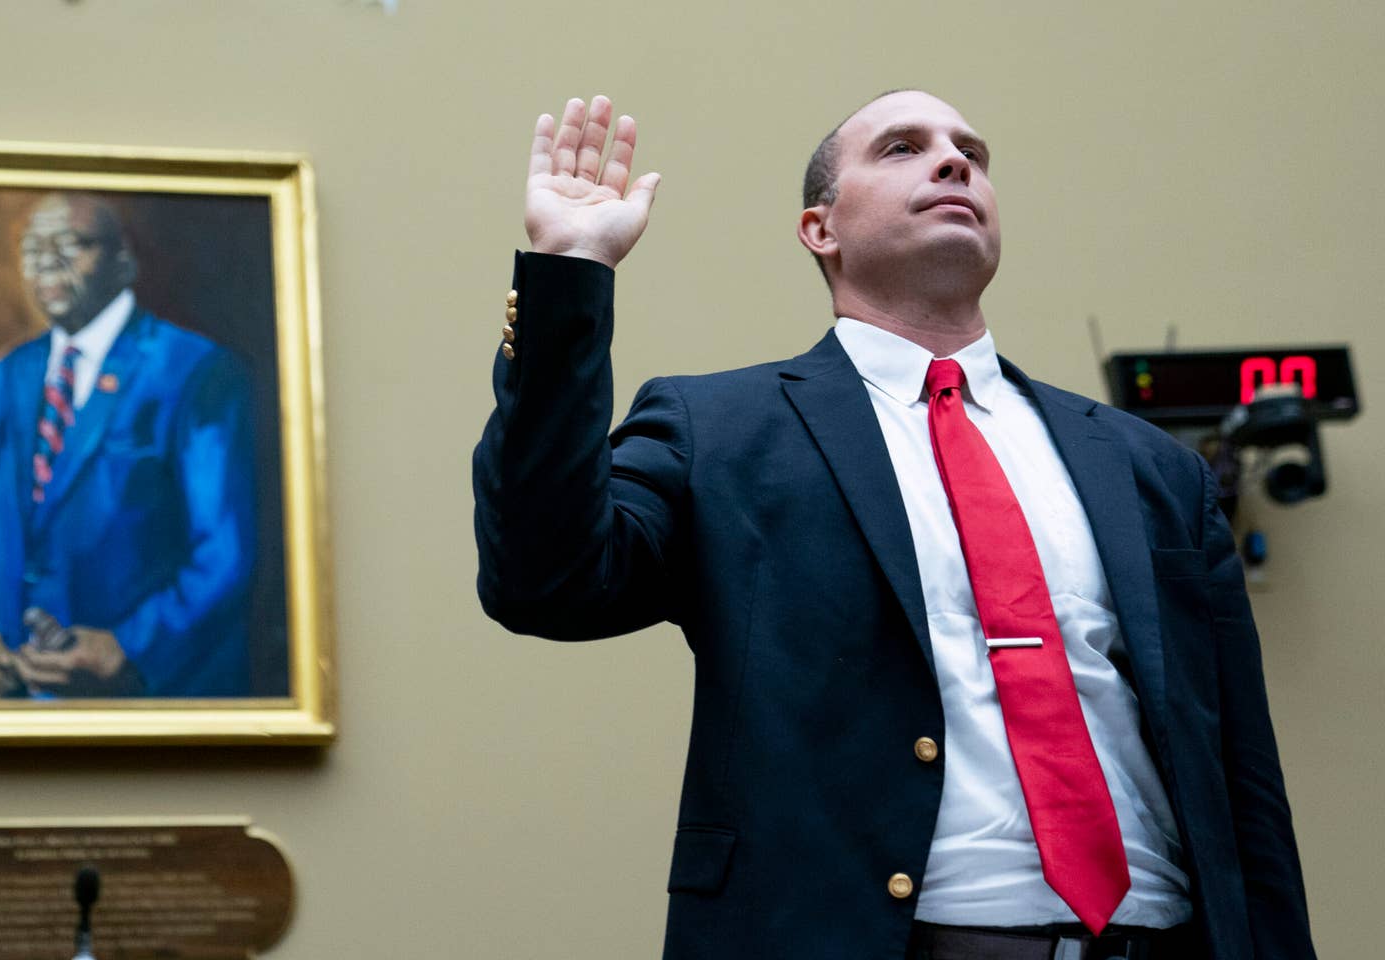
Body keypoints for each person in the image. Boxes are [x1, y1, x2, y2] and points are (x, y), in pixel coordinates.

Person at [473, 92, 1315, 959]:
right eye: (904, 147)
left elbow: (1244, 779)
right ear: (820, 228)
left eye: (972, 154)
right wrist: (568, 276)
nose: (955, 163)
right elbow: (545, 581)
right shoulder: (719, 430)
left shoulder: (1150, 467)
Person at [0, 191, 257, 698]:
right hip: (13, 702)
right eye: (32, 248)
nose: (45, 260)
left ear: (123, 261)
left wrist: (131, 647)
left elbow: (223, 555)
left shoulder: (196, 371)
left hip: (141, 704)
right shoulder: (7, 377)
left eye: (71, 244)